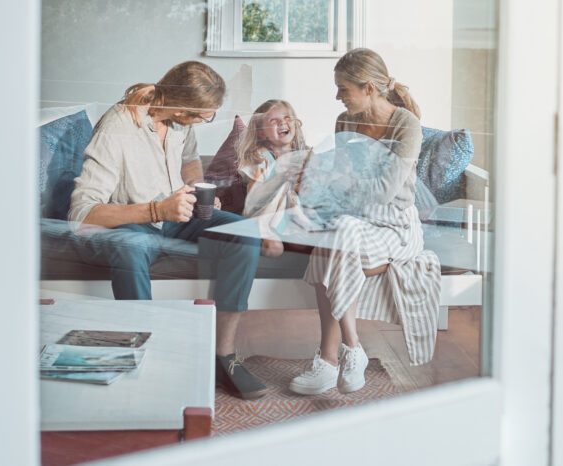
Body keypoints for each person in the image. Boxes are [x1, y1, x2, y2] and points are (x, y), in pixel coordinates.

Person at [68, 60, 267, 400]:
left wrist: (199, 189)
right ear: (179, 106)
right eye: (201, 116)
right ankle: (143, 356)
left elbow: (189, 159)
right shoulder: (118, 127)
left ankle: (223, 356)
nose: (203, 122)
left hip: (177, 216)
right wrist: (157, 210)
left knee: (244, 232)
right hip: (133, 223)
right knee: (129, 248)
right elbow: (81, 213)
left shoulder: (179, 124)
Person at [289, 48, 441, 396]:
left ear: (369, 88)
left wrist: (336, 182)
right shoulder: (345, 122)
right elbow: (342, 182)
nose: (337, 96)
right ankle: (339, 356)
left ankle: (339, 354)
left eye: (343, 88)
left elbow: (384, 192)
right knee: (333, 241)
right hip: (355, 219)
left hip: (395, 226)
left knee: (335, 242)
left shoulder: (406, 125)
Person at [236, 99, 310, 257]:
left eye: (287, 117)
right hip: (265, 217)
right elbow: (254, 199)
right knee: (274, 249)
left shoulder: (305, 156)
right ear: (261, 132)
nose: (282, 123)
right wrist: (280, 178)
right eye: (273, 121)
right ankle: (251, 240)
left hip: (292, 216)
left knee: (302, 244)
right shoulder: (260, 158)